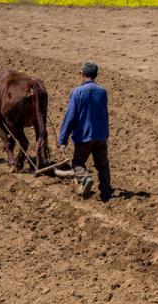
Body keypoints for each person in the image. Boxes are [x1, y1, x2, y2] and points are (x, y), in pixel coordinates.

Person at [58, 62, 112, 201]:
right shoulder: (102, 91)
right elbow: (105, 113)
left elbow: (70, 116)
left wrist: (63, 139)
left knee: (77, 163)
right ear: (95, 75)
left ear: (83, 74)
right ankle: (106, 191)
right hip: (100, 134)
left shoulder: (77, 92)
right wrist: (106, 133)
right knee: (102, 165)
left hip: (84, 136)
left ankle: (86, 178)